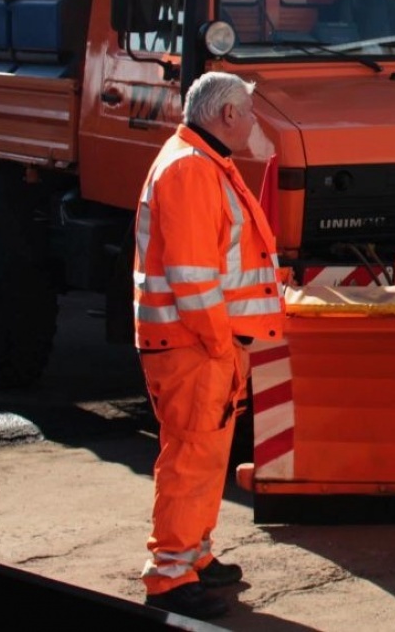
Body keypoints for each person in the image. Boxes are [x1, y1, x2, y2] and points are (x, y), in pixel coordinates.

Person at [134, 72, 286, 619]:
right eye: (248, 111)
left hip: (202, 344)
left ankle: (193, 556)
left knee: (204, 456)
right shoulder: (191, 170)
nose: (252, 121)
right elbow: (193, 278)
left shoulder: (202, 162)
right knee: (190, 457)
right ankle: (170, 576)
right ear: (226, 116)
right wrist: (222, 345)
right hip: (195, 345)